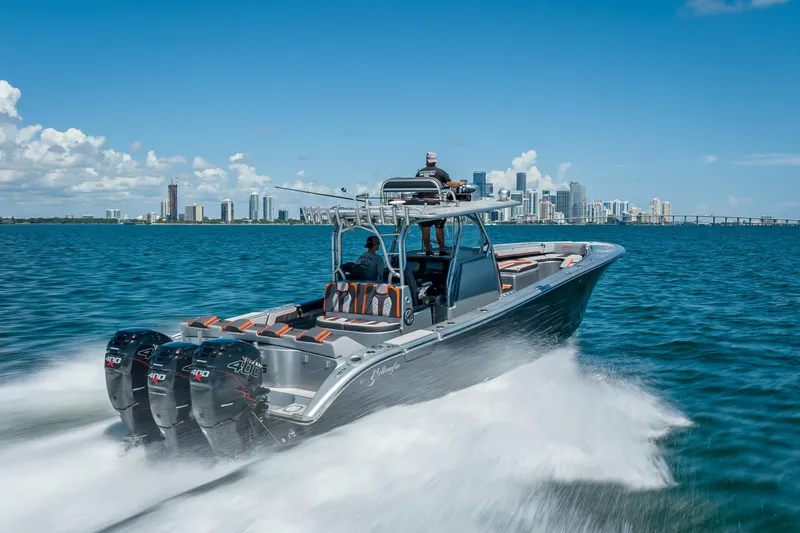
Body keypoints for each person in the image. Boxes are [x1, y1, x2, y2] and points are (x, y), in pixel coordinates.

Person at [415, 152, 465, 255]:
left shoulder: (419, 173)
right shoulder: (441, 172)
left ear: (426, 160)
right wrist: (460, 183)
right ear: (435, 161)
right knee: (439, 227)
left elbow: (416, 187)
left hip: (423, 204)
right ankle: (442, 250)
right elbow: (451, 184)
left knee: (425, 227)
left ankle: (428, 250)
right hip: (437, 203)